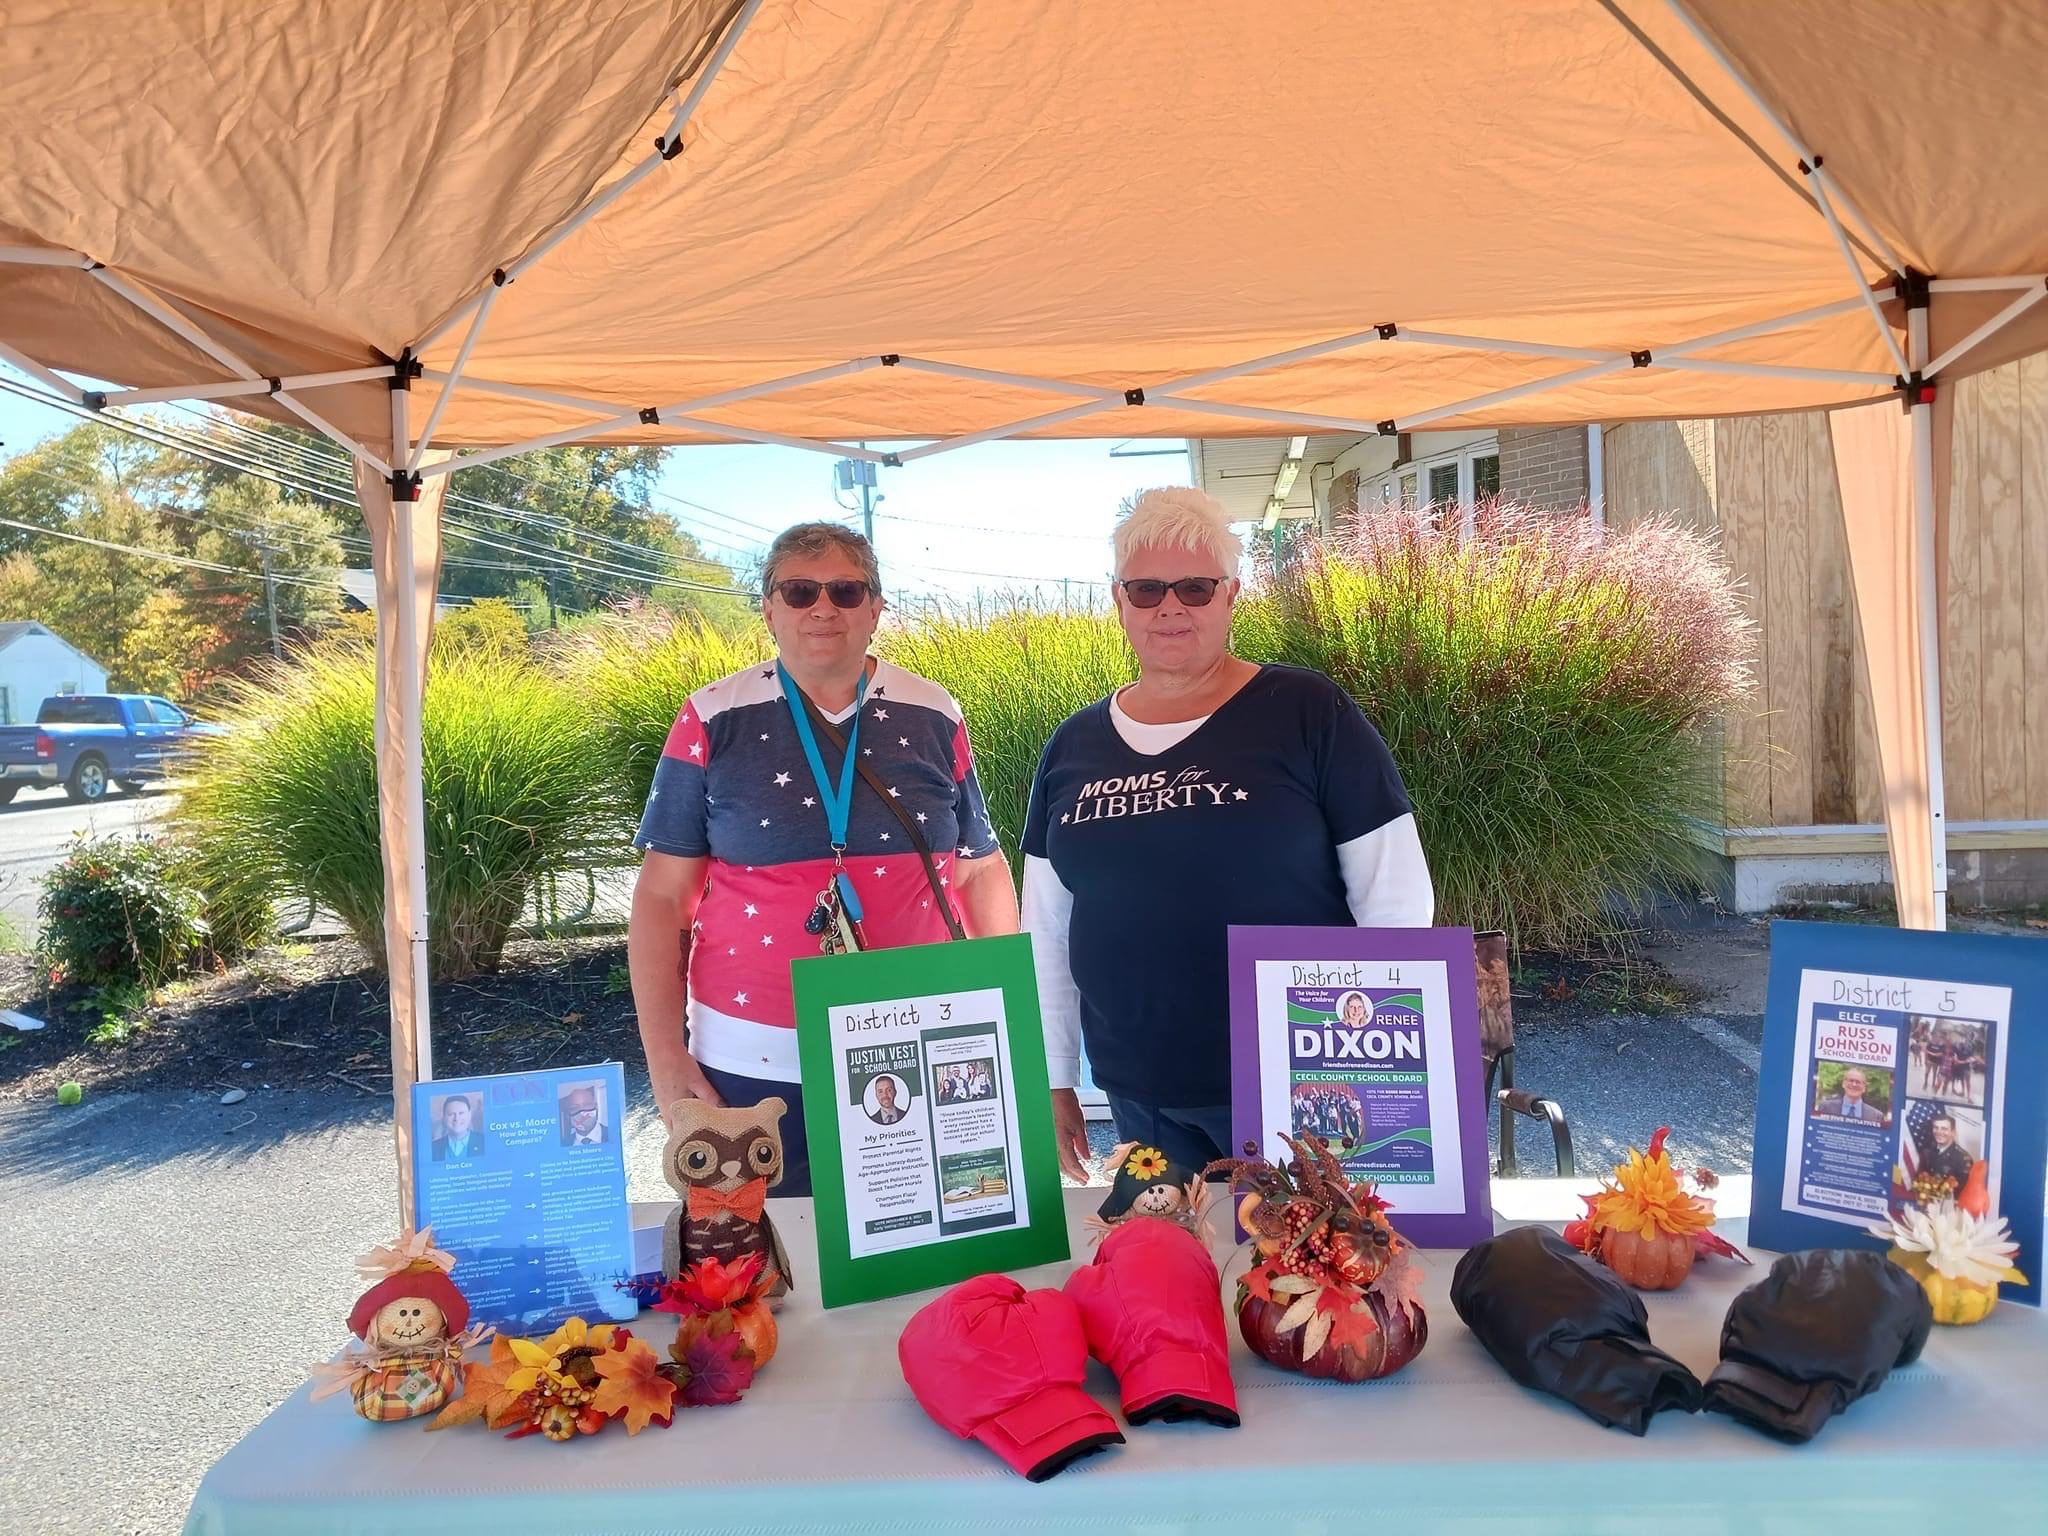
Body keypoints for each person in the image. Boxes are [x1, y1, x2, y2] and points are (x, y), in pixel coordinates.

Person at [1023, 488, 1434, 1178]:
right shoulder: (1072, 745)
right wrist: (1054, 1075)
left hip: (1302, 1092)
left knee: (1301, 1281)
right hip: (1138, 1095)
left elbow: (1395, 902)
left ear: (1231, 595)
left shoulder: (1306, 711)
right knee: (1164, 1274)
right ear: (1118, 600)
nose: (1171, 607)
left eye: (1195, 586)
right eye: (1147, 589)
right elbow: (1047, 927)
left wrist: (1368, 1075)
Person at [629, 523, 1018, 1196]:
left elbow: (979, 867)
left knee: (919, 1266)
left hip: (917, 1044)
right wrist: (665, 1058)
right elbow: (663, 898)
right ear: (769, 609)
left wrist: (1007, 1023)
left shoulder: (934, 712)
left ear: (875, 608)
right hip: (751, 1064)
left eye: (845, 590)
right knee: (765, 1270)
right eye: (800, 590)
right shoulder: (712, 716)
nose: (823, 608)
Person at [1815, 1068, 1890, 1125]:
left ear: (1864, 1088)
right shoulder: (1826, 1107)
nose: (1854, 1084)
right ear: (1843, 1084)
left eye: (1858, 1082)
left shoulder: (1876, 1116)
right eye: (1851, 1081)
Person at [1921, 1112, 1974, 1187]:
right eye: (1936, 1128)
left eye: (1944, 1129)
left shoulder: (1963, 1158)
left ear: (1953, 1132)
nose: (1939, 1132)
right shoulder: (1928, 1151)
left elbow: (1963, 1190)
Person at [431, 1095, 483, 1160]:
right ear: (444, 1118)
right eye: (451, 1114)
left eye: (461, 1113)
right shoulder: (432, 1148)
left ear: (470, 1115)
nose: (456, 1118)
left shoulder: (484, 1142)